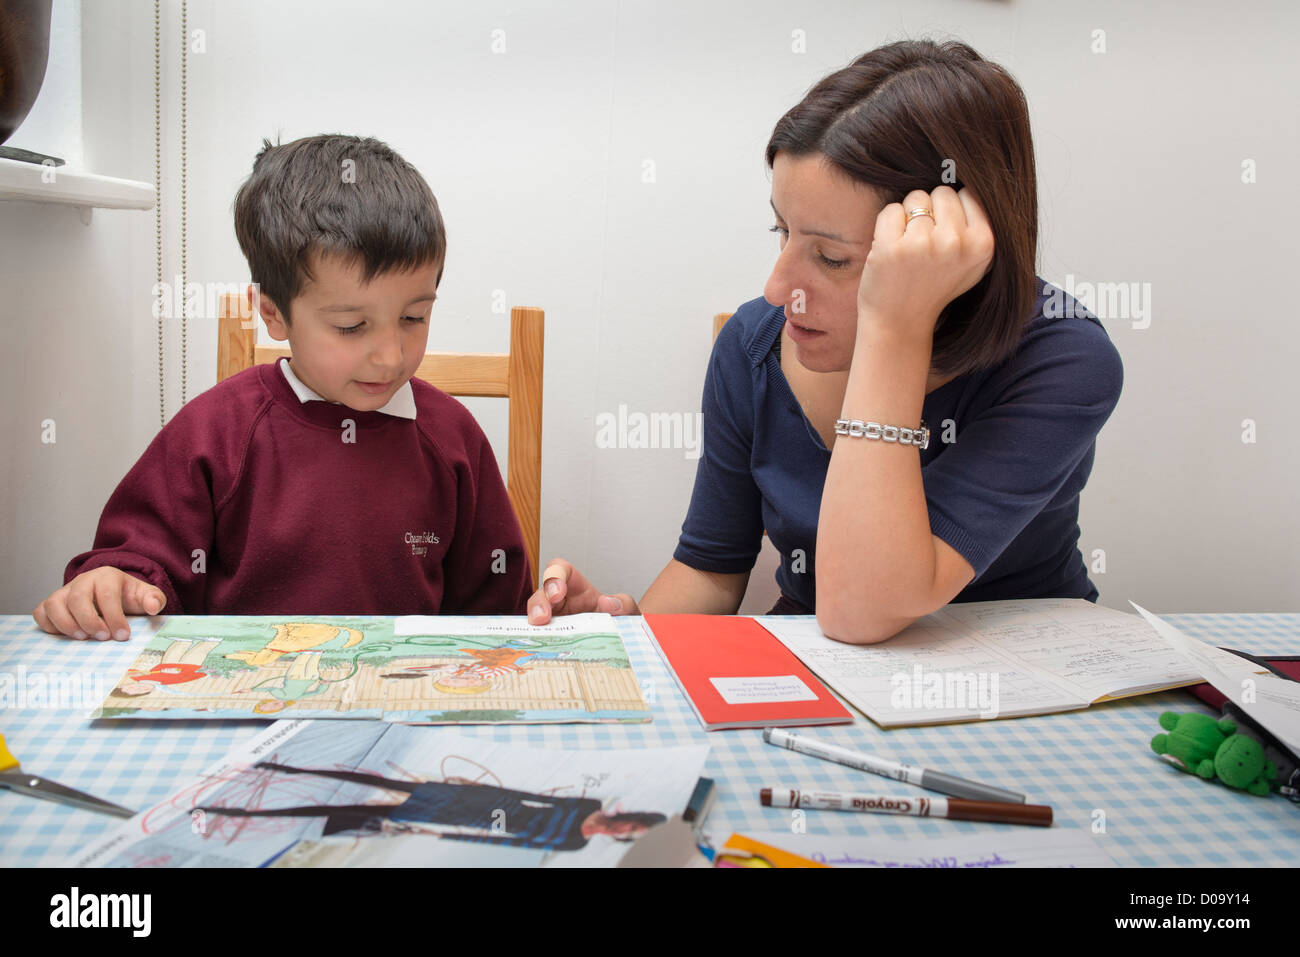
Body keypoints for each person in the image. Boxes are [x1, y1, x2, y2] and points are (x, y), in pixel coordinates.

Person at [527, 40, 1123, 644]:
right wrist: (625, 640)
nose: (778, 288)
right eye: (780, 230)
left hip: (1024, 680)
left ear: (953, 246)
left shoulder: (1064, 360)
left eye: (832, 257)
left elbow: (866, 607)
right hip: (824, 671)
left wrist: (895, 328)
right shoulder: (752, 347)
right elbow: (711, 569)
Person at [34, 135, 533, 641]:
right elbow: (141, 565)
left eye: (413, 317)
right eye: (350, 326)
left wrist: (549, 609)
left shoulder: (451, 438)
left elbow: (500, 608)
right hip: (241, 705)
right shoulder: (216, 431)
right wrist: (113, 585)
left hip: (403, 703)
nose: (391, 355)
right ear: (274, 314)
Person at [196, 761, 666, 850]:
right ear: (631, 817)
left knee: (363, 814)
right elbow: (533, 798)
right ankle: (288, 770)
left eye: (625, 839)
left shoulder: (572, 846)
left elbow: (514, 842)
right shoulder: (592, 801)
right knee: (376, 782)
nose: (619, 832)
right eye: (629, 827)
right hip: (476, 796)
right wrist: (466, 783)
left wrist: (439, 835)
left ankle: (244, 814)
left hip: (466, 821)